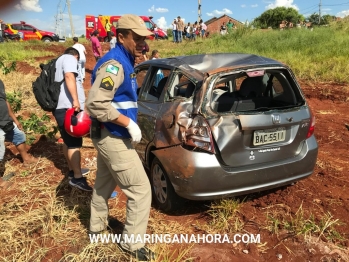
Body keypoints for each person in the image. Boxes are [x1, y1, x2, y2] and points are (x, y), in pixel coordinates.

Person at [86, 14, 155, 261]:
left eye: (144, 38)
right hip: (112, 136)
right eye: (136, 38)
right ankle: (132, 244)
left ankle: (96, 228)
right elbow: (95, 104)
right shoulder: (114, 65)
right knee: (140, 189)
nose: (142, 43)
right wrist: (128, 123)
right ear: (121, 36)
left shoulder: (125, 62)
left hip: (109, 134)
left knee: (104, 184)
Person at [53, 47, 92, 192]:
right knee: (74, 143)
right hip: (69, 109)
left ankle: (72, 170)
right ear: (76, 55)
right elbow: (70, 76)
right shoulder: (69, 58)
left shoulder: (58, 61)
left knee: (67, 141)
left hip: (61, 108)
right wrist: (76, 100)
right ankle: (77, 177)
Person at [0, 79, 38, 178]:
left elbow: (5, 101)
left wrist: (15, 120)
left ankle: (26, 159)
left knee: (18, 135)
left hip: (5, 121)